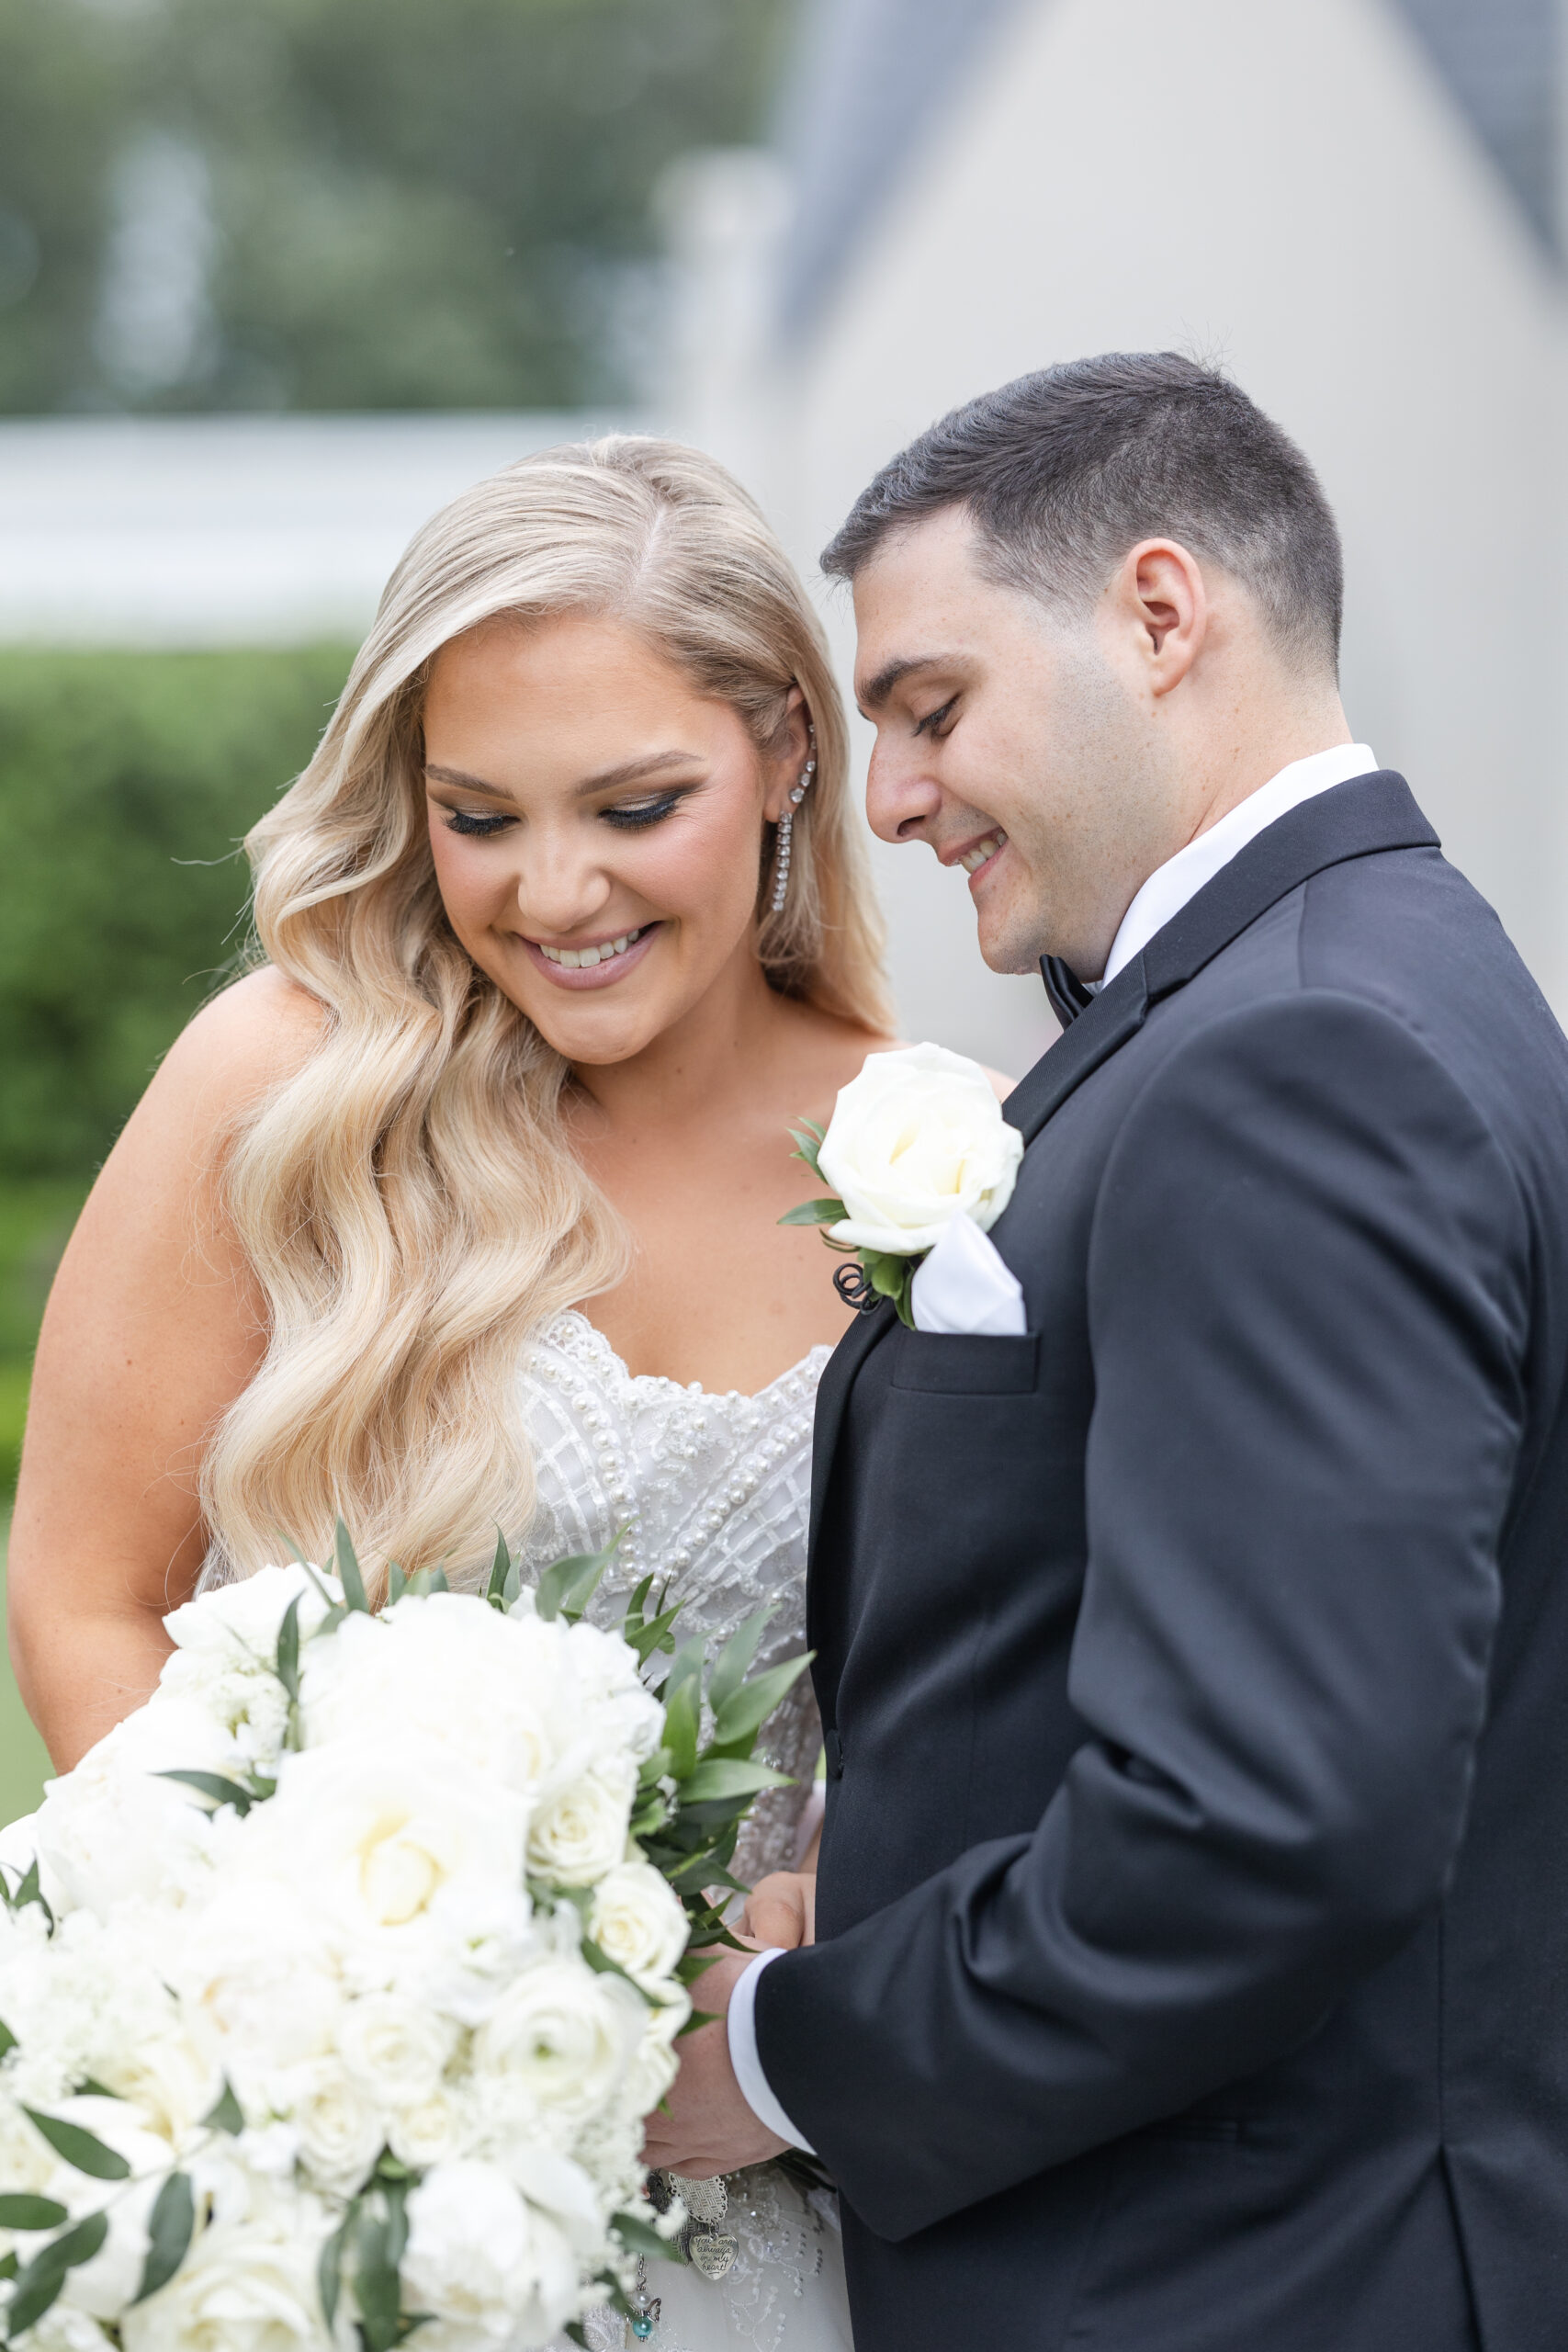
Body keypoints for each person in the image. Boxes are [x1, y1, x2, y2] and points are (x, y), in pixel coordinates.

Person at [647, 355, 1568, 2352]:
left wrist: (789, 2052)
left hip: (1238, 2284)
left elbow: (1261, 1821)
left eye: (928, 706)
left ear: (1160, 615)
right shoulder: (1353, 986)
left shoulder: (1294, 1066)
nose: (884, 797)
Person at [9, 435, 898, 2351]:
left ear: (783, 753)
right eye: (475, 814)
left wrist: (831, 1924)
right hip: (315, 2176)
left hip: (742, 2213)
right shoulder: (284, 1085)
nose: (550, 888)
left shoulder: (939, 1157)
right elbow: (84, 1589)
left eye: (633, 803)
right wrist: (281, 2009)